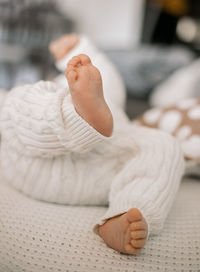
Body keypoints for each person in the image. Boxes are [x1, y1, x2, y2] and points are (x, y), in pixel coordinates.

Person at [0, 34, 185, 255]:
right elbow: (111, 88)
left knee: (164, 145)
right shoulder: (42, 92)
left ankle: (124, 213)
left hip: (95, 174)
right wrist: (81, 52)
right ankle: (76, 115)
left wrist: (79, 54)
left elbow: (110, 90)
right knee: (15, 102)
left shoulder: (86, 93)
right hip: (31, 157)